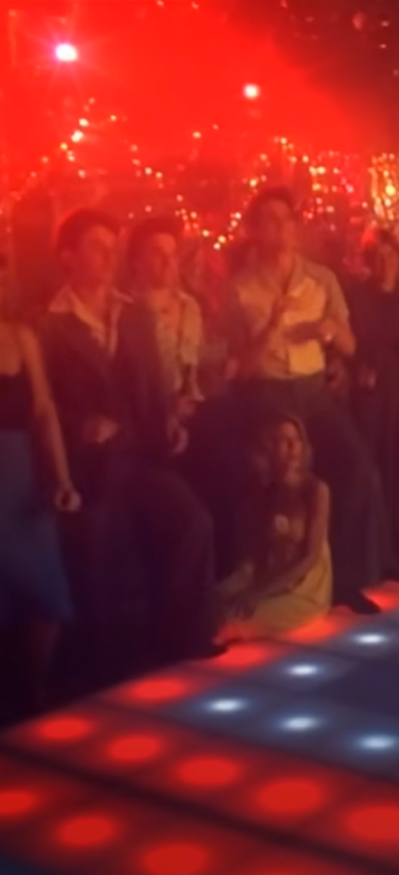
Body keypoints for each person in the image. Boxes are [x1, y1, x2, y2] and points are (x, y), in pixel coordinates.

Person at [38, 208, 221, 663]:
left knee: (194, 523)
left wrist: (169, 423)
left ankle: (182, 641)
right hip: (89, 466)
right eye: (96, 248)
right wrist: (81, 426)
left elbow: (155, 385)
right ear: (68, 256)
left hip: (139, 455)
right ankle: (106, 662)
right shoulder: (49, 323)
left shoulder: (134, 314)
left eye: (111, 248)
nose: (108, 257)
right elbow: (40, 403)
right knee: (97, 546)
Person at [224, 187, 384, 614]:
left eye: (287, 219)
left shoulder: (321, 278)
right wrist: (269, 330)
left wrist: (328, 333)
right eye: (270, 219)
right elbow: (236, 366)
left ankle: (349, 580)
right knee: (277, 482)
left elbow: (350, 345)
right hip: (268, 393)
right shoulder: (239, 288)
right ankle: (269, 584)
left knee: (360, 472)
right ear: (254, 229)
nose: (281, 227)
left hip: (315, 392)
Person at [0, 314, 80, 717]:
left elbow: (44, 410)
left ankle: (35, 686)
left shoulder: (21, 335)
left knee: (46, 592)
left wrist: (63, 478)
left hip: (21, 474)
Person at [348, 230, 399, 575]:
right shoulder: (358, 297)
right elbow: (351, 346)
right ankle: (374, 556)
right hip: (370, 395)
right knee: (374, 469)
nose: (384, 264)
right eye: (377, 257)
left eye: (390, 256)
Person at [215, 414, 331, 644]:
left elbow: (309, 557)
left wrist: (257, 594)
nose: (293, 447)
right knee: (209, 608)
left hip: (303, 591)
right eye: (283, 441)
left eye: (296, 440)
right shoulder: (262, 495)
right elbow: (252, 562)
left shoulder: (315, 490)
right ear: (267, 447)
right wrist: (222, 590)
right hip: (267, 580)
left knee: (229, 622)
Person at [127, 216, 205, 420]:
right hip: (147, 419)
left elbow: (195, 364)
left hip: (192, 415)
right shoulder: (126, 312)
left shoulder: (190, 307)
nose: (168, 262)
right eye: (157, 254)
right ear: (137, 262)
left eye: (172, 254)